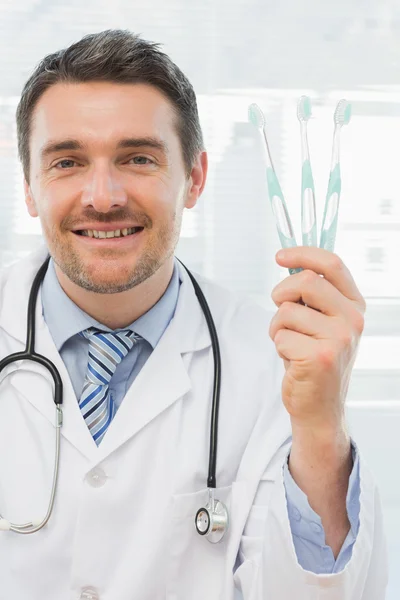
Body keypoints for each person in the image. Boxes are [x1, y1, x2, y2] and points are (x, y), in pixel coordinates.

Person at [0, 29, 387, 600]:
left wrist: (321, 426)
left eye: (138, 158)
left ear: (196, 178)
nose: (103, 196)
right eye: (67, 162)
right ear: (30, 186)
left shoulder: (273, 363)